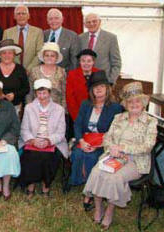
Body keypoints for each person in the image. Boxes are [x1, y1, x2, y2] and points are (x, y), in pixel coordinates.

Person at [83, 82, 157, 230]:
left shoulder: (150, 121)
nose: (134, 104)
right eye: (130, 101)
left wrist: (123, 148)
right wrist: (112, 148)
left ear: (143, 103)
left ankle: (110, 211)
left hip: (136, 161)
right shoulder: (118, 118)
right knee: (97, 171)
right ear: (126, 104)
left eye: (137, 101)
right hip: (113, 156)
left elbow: (148, 146)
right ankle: (98, 208)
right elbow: (107, 138)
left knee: (114, 177)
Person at [68, 71, 123, 211]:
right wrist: (81, 141)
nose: (98, 89)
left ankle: (90, 193)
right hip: (85, 140)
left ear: (107, 88)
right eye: (95, 87)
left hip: (103, 142)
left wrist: (100, 144)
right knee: (78, 154)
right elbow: (78, 124)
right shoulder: (86, 104)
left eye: (101, 86)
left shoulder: (115, 107)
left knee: (93, 157)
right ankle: (81, 182)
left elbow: (116, 131)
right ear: (91, 90)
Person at [19, 79, 68, 198]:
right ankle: (31, 186)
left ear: (49, 93)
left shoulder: (59, 109)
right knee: (31, 155)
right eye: (39, 93)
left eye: (44, 93)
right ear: (35, 94)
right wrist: (33, 140)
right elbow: (24, 129)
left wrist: (48, 141)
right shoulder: (29, 108)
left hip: (52, 142)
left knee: (48, 157)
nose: (42, 96)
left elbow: (61, 132)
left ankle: (46, 186)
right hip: (33, 141)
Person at [0, 39, 30, 116]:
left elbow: (26, 89)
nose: (7, 55)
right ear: (0, 55)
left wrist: (15, 95)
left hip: (15, 108)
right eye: (4, 53)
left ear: (14, 55)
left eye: (10, 53)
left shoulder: (20, 69)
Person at [79, 13, 121, 84]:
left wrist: (110, 81)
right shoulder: (80, 38)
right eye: (88, 22)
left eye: (94, 21)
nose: (91, 24)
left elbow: (116, 63)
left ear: (100, 22)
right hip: (83, 82)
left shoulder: (111, 38)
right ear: (85, 24)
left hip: (103, 82)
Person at [3, 4, 44, 72]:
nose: (21, 16)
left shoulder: (38, 32)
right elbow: (4, 53)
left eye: (23, 13)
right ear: (14, 16)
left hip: (32, 71)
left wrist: (29, 69)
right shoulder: (7, 32)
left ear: (28, 16)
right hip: (12, 71)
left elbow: (40, 53)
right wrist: (15, 68)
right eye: (18, 13)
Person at [27, 42, 66, 108]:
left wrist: (63, 111)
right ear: (43, 57)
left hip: (56, 109)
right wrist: (29, 107)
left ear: (56, 58)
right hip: (36, 108)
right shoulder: (34, 71)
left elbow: (64, 94)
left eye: (52, 56)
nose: (49, 58)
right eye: (47, 55)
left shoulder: (62, 72)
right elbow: (29, 93)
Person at [66, 49, 100, 122]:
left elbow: (102, 95)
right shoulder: (72, 74)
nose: (86, 63)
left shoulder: (99, 73)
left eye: (89, 61)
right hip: (77, 114)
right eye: (83, 61)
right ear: (79, 62)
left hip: (96, 113)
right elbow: (70, 98)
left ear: (93, 62)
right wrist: (77, 117)